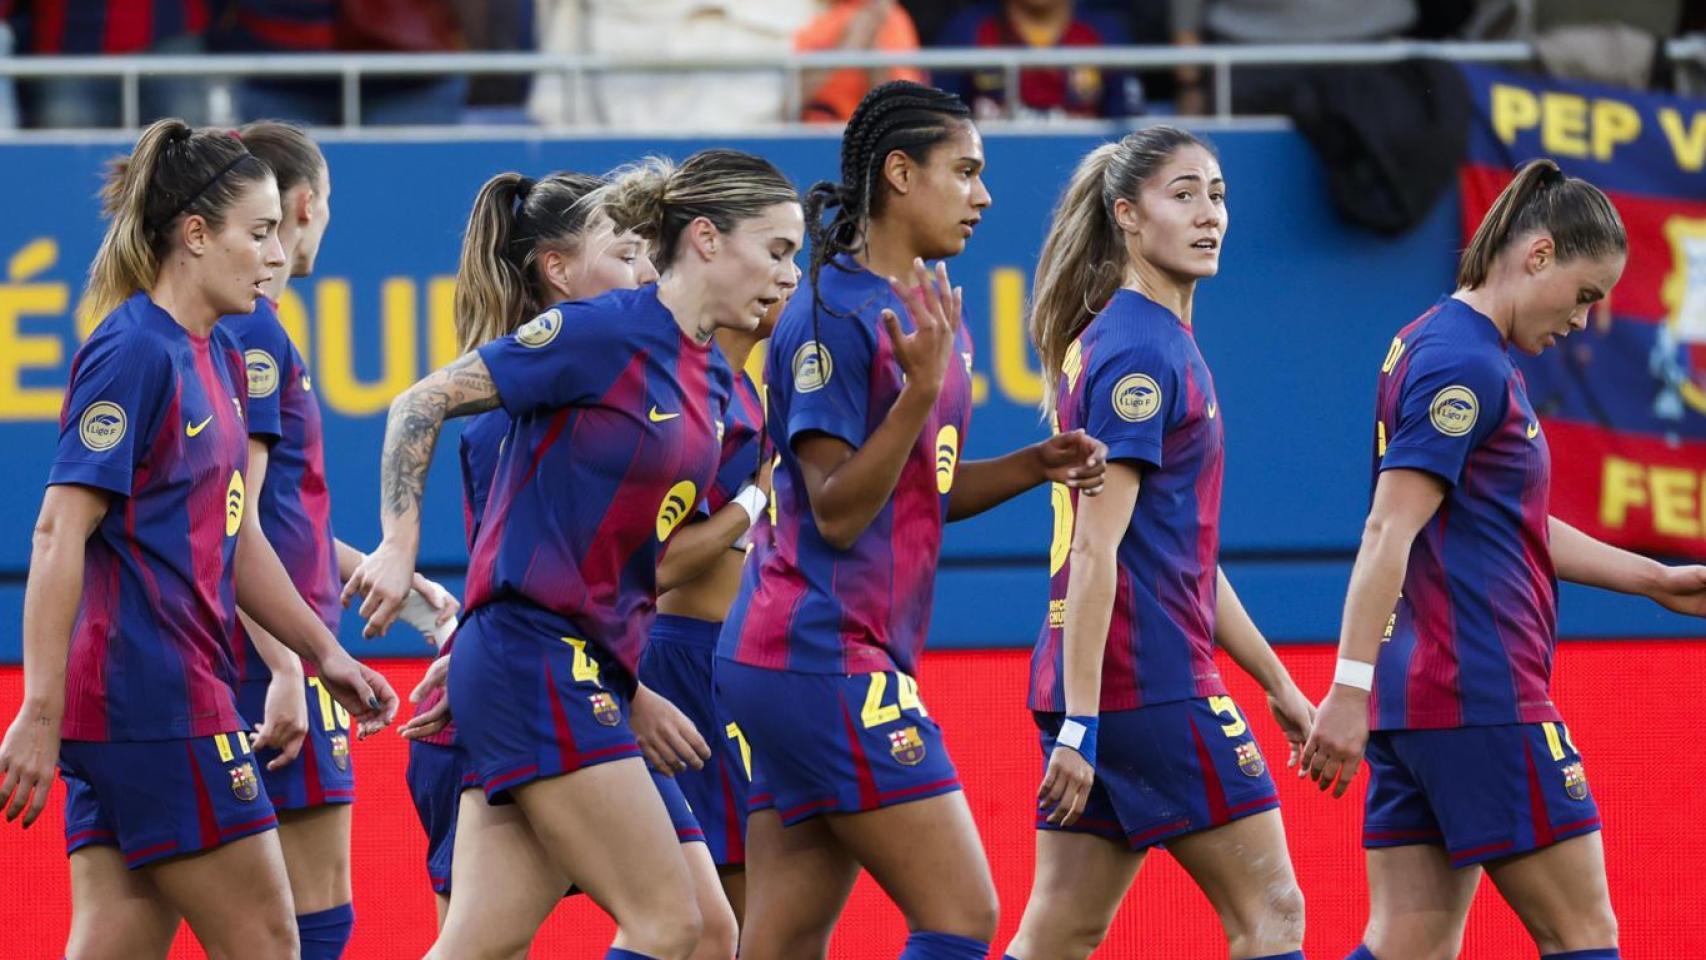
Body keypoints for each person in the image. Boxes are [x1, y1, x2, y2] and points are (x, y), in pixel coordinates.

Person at [345, 148, 802, 960]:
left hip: (572, 665)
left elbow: (627, 561)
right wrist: (400, 542)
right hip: (539, 661)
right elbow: (423, 401)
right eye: (776, 249)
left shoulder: (712, 383)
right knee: (676, 925)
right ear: (704, 238)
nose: (790, 273)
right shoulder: (606, 330)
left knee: (511, 940)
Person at [714, 79, 1105, 960]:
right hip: (818, 652)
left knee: (781, 937)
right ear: (898, 173)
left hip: (816, 655)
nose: (984, 195)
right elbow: (839, 512)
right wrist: (919, 391)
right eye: (964, 171)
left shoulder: (929, 309)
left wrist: (1031, 466)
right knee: (963, 914)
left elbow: (921, 486)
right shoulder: (825, 311)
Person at [0, 118, 397, 959]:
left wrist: (325, 654)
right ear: (194, 235)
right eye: (256, 234)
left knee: (118, 940)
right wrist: (38, 708)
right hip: (160, 702)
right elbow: (55, 532)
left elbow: (236, 537)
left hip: (144, 705)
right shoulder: (132, 351)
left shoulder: (210, 353)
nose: (274, 254)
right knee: (271, 941)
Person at [1304, 158, 1706, 960]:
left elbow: (1507, 523)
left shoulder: (1436, 342)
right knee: (1584, 936)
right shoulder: (1467, 363)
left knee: (1408, 945)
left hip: (1420, 705)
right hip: (1481, 694)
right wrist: (1343, 690)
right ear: (1539, 255)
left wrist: (1656, 580)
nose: (1585, 322)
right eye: (1587, 295)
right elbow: (1389, 530)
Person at [1001, 126, 1312, 960]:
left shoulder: (1141, 338)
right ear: (1128, 216)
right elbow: (1098, 551)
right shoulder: (1140, 347)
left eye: (1217, 194)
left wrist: (1278, 684)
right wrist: (1083, 724)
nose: (1210, 215)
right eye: (1184, 195)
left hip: (1104, 685)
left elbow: (1183, 563)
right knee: (1273, 914)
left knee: (1062, 930)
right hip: (1147, 686)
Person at [217, 119, 456, 960]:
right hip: (269, 655)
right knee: (305, 924)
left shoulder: (238, 326)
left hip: (265, 643)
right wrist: (289, 664)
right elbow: (228, 513)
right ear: (307, 204)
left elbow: (278, 512)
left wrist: (381, 569)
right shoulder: (252, 329)